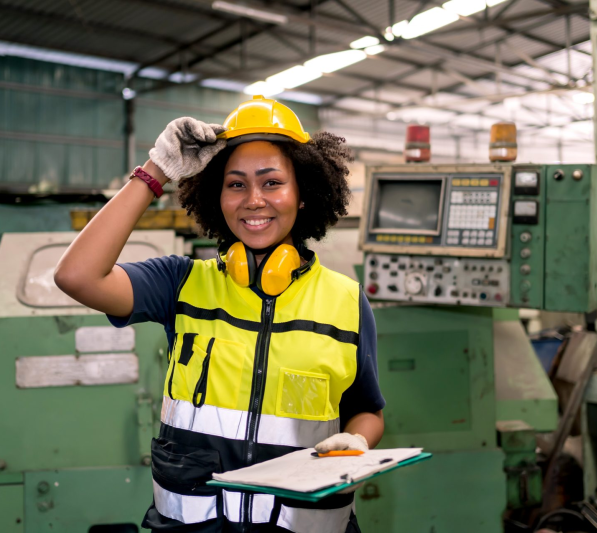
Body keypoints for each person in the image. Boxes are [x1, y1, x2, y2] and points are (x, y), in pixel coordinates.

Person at [54, 96, 385, 533]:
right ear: (217, 195)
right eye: (236, 184)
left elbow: (367, 409)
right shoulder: (182, 284)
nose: (253, 200)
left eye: (271, 183)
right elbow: (77, 276)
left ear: (303, 194)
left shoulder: (346, 301)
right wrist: (156, 170)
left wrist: (358, 439)